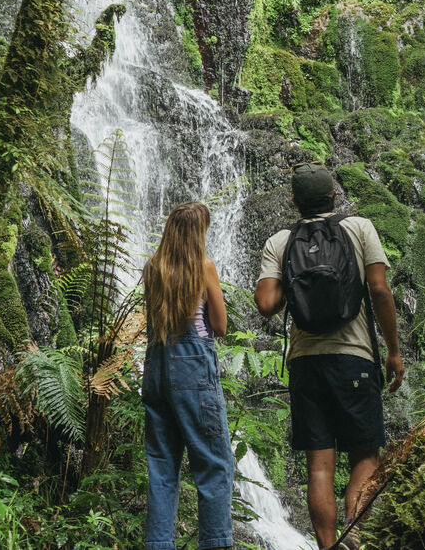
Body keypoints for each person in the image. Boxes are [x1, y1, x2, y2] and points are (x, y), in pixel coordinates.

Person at [254, 164, 404, 550]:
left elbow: (267, 304)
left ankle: (327, 548)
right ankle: (354, 531)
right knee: (365, 456)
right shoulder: (359, 228)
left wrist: (295, 283)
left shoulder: (280, 241)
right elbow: (380, 290)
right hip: (355, 358)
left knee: (319, 467)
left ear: (294, 202)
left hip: (306, 362)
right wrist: (393, 351)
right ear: (334, 196)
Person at [141, 201, 234, 550]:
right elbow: (221, 326)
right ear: (198, 234)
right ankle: (215, 544)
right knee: (213, 464)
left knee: (163, 468)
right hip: (192, 369)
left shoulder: (153, 267)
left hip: (156, 370)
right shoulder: (203, 267)